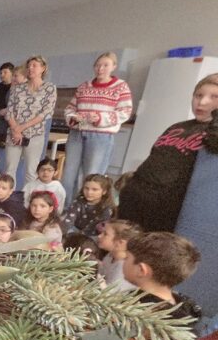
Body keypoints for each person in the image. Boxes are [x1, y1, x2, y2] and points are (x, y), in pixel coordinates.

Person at [118, 73, 218, 232]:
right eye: (198, 95)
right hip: (136, 196)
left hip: (165, 207)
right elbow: (154, 155)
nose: (202, 102)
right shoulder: (178, 126)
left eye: (214, 97)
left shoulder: (213, 133)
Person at [61, 52, 133, 202]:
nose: (100, 68)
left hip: (100, 136)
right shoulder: (84, 86)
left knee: (92, 177)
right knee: (68, 174)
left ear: (113, 67)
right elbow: (70, 108)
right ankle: (66, 209)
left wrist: (100, 118)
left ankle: (87, 211)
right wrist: (74, 118)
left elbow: (125, 112)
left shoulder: (120, 87)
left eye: (105, 65)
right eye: (98, 65)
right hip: (77, 133)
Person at [4, 56, 57, 188]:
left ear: (43, 68)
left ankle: (28, 201)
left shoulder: (49, 88)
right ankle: (9, 200)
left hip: (34, 134)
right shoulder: (17, 88)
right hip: (14, 134)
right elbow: (9, 111)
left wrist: (21, 128)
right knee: (10, 169)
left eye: (34, 65)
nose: (30, 68)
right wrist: (15, 129)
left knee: (31, 171)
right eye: (29, 66)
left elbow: (46, 112)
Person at [124, 232, 201, 321]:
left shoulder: (139, 313)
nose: (123, 262)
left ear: (141, 270)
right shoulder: (180, 309)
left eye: (126, 258)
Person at [61, 174, 115, 238]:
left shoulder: (106, 209)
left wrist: (80, 237)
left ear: (104, 191)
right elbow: (68, 221)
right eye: (86, 188)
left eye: (94, 189)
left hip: (94, 235)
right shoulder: (79, 201)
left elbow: (96, 228)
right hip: (75, 230)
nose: (89, 192)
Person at [97, 219, 142, 292]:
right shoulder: (110, 255)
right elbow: (102, 272)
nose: (99, 236)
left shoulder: (124, 269)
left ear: (120, 242)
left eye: (105, 234)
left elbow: (108, 296)